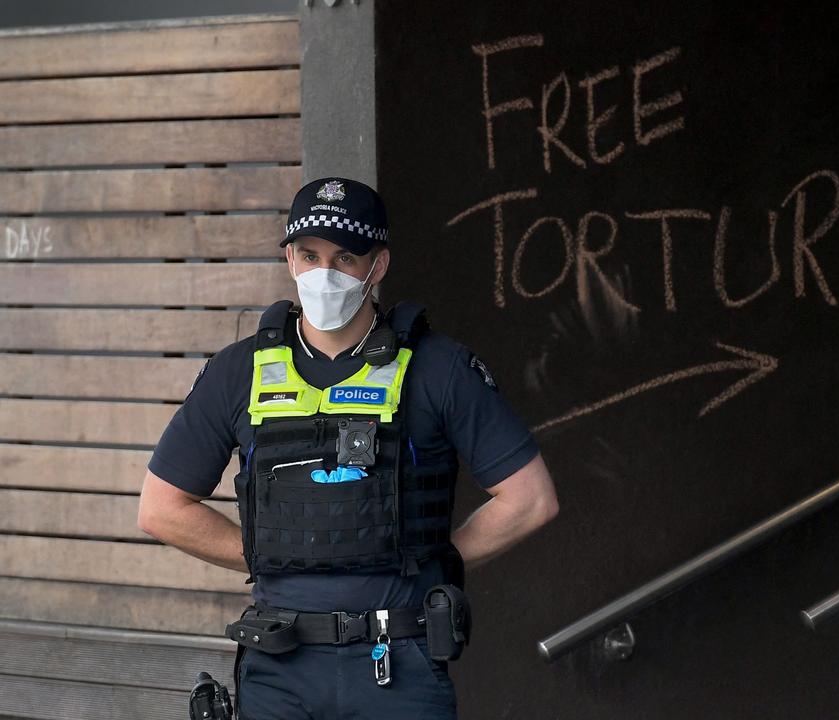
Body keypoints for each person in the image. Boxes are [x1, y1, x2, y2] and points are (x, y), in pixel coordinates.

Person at [138, 177, 558, 720]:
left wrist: (430, 553)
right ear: (290, 258)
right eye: (309, 255)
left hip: (397, 665)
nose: (324, 274)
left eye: (344, 258)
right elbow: (160, 509)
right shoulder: (238, 371)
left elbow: (530, 499)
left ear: (377, 266)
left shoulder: (437, 367)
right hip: (279, 666)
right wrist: (282, 546)